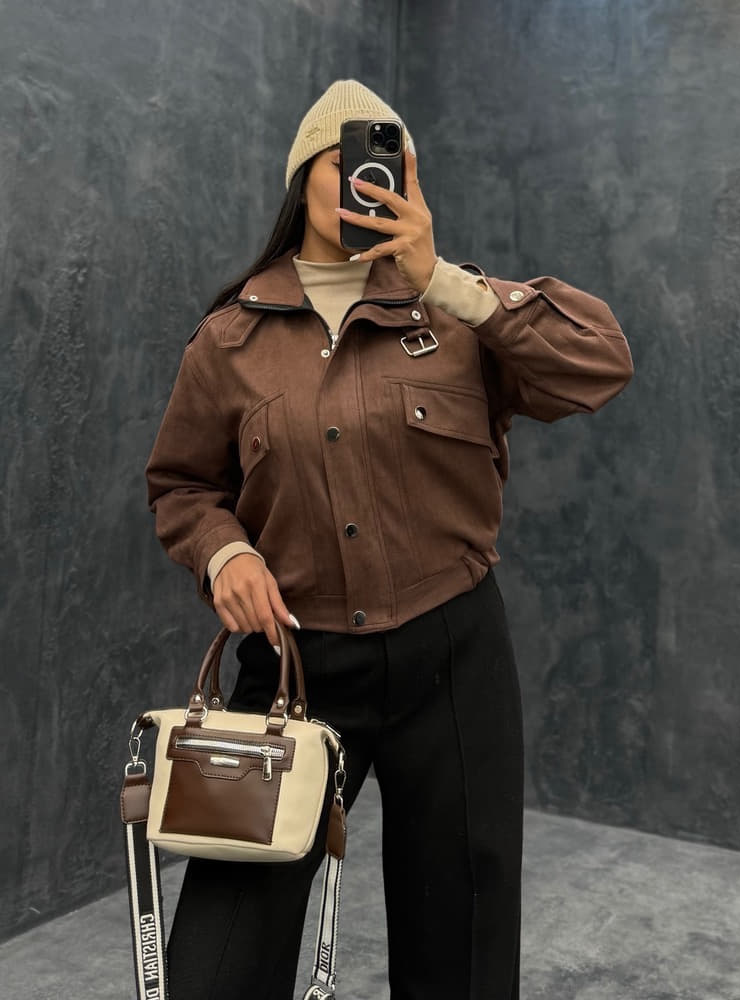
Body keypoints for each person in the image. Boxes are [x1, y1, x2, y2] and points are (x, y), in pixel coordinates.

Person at [144, 79, 634, 1000]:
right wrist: (224, 552)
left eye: (388, 166)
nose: (368, 183)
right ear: (303, 178)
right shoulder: (230, 341)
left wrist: (443, 279)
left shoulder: (456, 311)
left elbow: (601, 364)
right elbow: (181, 486)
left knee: (462, 950)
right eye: (346, 163)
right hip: (293, 672)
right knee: (218, 963)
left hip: (454, 661)